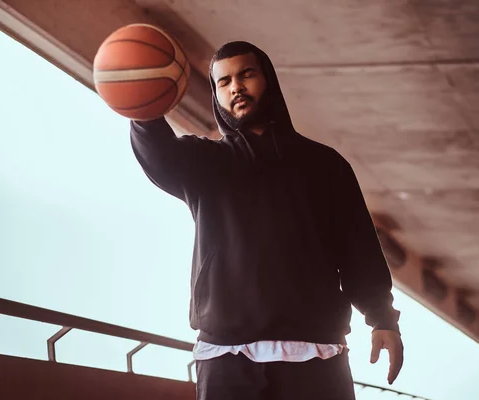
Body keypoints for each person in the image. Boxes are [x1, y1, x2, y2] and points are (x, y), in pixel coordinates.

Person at [130, 41, 403, 400]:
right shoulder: (205, 163)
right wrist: (142, 102)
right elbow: (158, 153)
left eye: (246, 75)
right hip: (227, 356)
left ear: (268, 80)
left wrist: (382, 318)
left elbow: (358, 249)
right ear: (216, 95)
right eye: (224, 82)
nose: (236, 87)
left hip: (316, 350)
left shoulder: (325, 165)